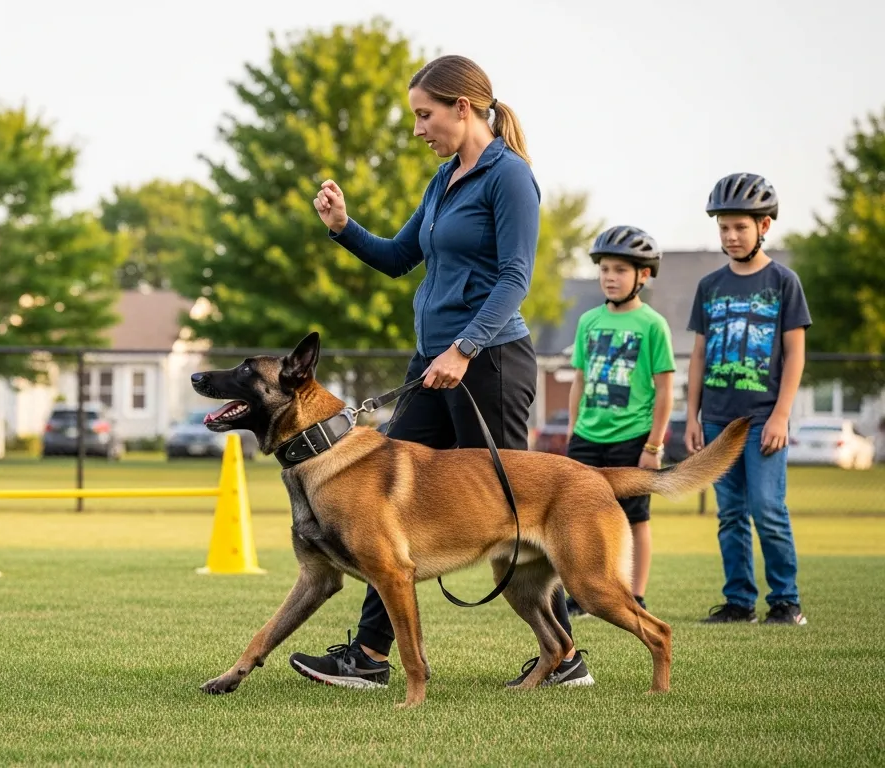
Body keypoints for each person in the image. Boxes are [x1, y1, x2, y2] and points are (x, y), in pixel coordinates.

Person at [296, 54, 592, 690]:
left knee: (518, 513)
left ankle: (566, 657)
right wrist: (343, 228)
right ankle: (371, 656)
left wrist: (464, 346)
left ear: (463, 108)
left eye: (424, 115)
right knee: (384, 512)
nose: (417, 129)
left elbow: (515, 277)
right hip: (434, 364)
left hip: (489, 363)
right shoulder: (444, 180)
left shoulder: (509, 178)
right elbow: (402, 257)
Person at [684, 172, 810, 626]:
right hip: (717, 418)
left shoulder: (783, 281)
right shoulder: (710, 286)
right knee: (730, 512)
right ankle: (738, 601)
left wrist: (781, 415)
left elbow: (795, 354)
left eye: (741, 226)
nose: (731, 235)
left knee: (767, 508)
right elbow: (698, 354)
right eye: (724, 227)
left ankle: (785, 601)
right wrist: (692, 416)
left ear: (765, 226)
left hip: (763, 420)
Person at [562, 225, 675, 618]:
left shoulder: (652, 325)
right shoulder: (588, 321)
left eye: (620, 270)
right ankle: (580, 593)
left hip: (633, 437)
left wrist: (653, 445)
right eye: (605, 269)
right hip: (587, 437)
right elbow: (579, 379)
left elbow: (664, 390)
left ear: (643, 275)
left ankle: (636, 594)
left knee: (636, 518)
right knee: (576, 518)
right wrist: (573, 429)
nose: (610, 277)